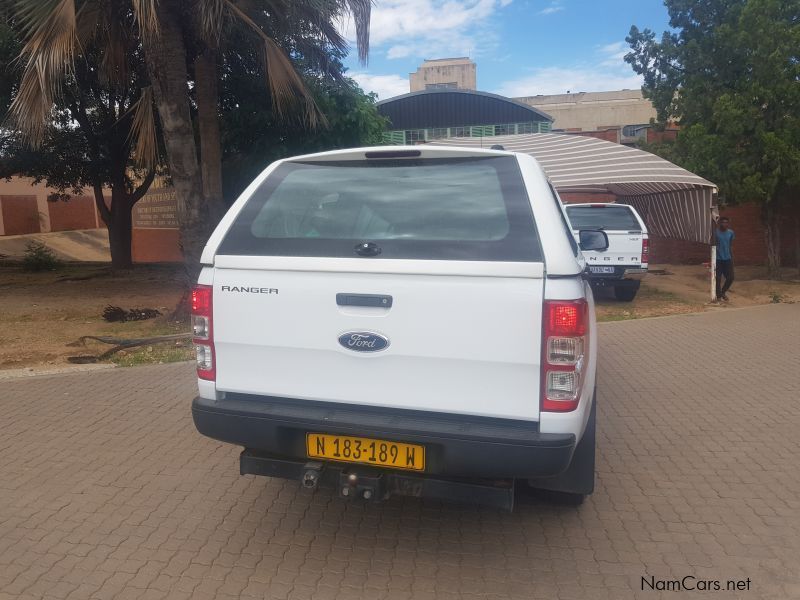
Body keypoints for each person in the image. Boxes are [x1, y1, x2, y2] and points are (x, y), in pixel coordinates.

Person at [714, 216, 735, 301]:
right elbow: (713, 245)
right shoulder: (715, 232)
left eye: (726, 223)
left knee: (731, 277)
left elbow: (730, 245)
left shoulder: (731, 233)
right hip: (718, 259)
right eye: (723, 222)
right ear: (720, 223)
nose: (725, 224)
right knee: (718, 278)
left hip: (727, 259)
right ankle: (718, 296)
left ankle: (723, 292)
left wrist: (732, 257)